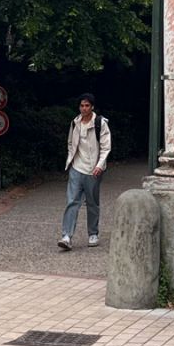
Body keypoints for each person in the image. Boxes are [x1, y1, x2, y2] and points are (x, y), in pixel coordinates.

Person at [58, 93, 111, 250]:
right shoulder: (75, 123)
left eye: (87, 105)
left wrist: (99, 165)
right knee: (72, 201)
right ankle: (66, 236)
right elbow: (70, 142)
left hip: (93, 169)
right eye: (82, 105)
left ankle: (93, 233)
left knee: (92, 203)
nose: (84, 108)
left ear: (92, 107)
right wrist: (71, 160)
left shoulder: (100, 123)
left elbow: (106, 147)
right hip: (76, 168)